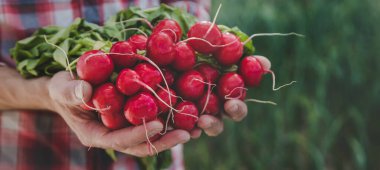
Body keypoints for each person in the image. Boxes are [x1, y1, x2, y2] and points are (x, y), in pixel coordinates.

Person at [0, 0, 248, 169]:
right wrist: (43, 93)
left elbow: (188, 24)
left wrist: (216, 66)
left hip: (158, 134)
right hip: (31, 156)